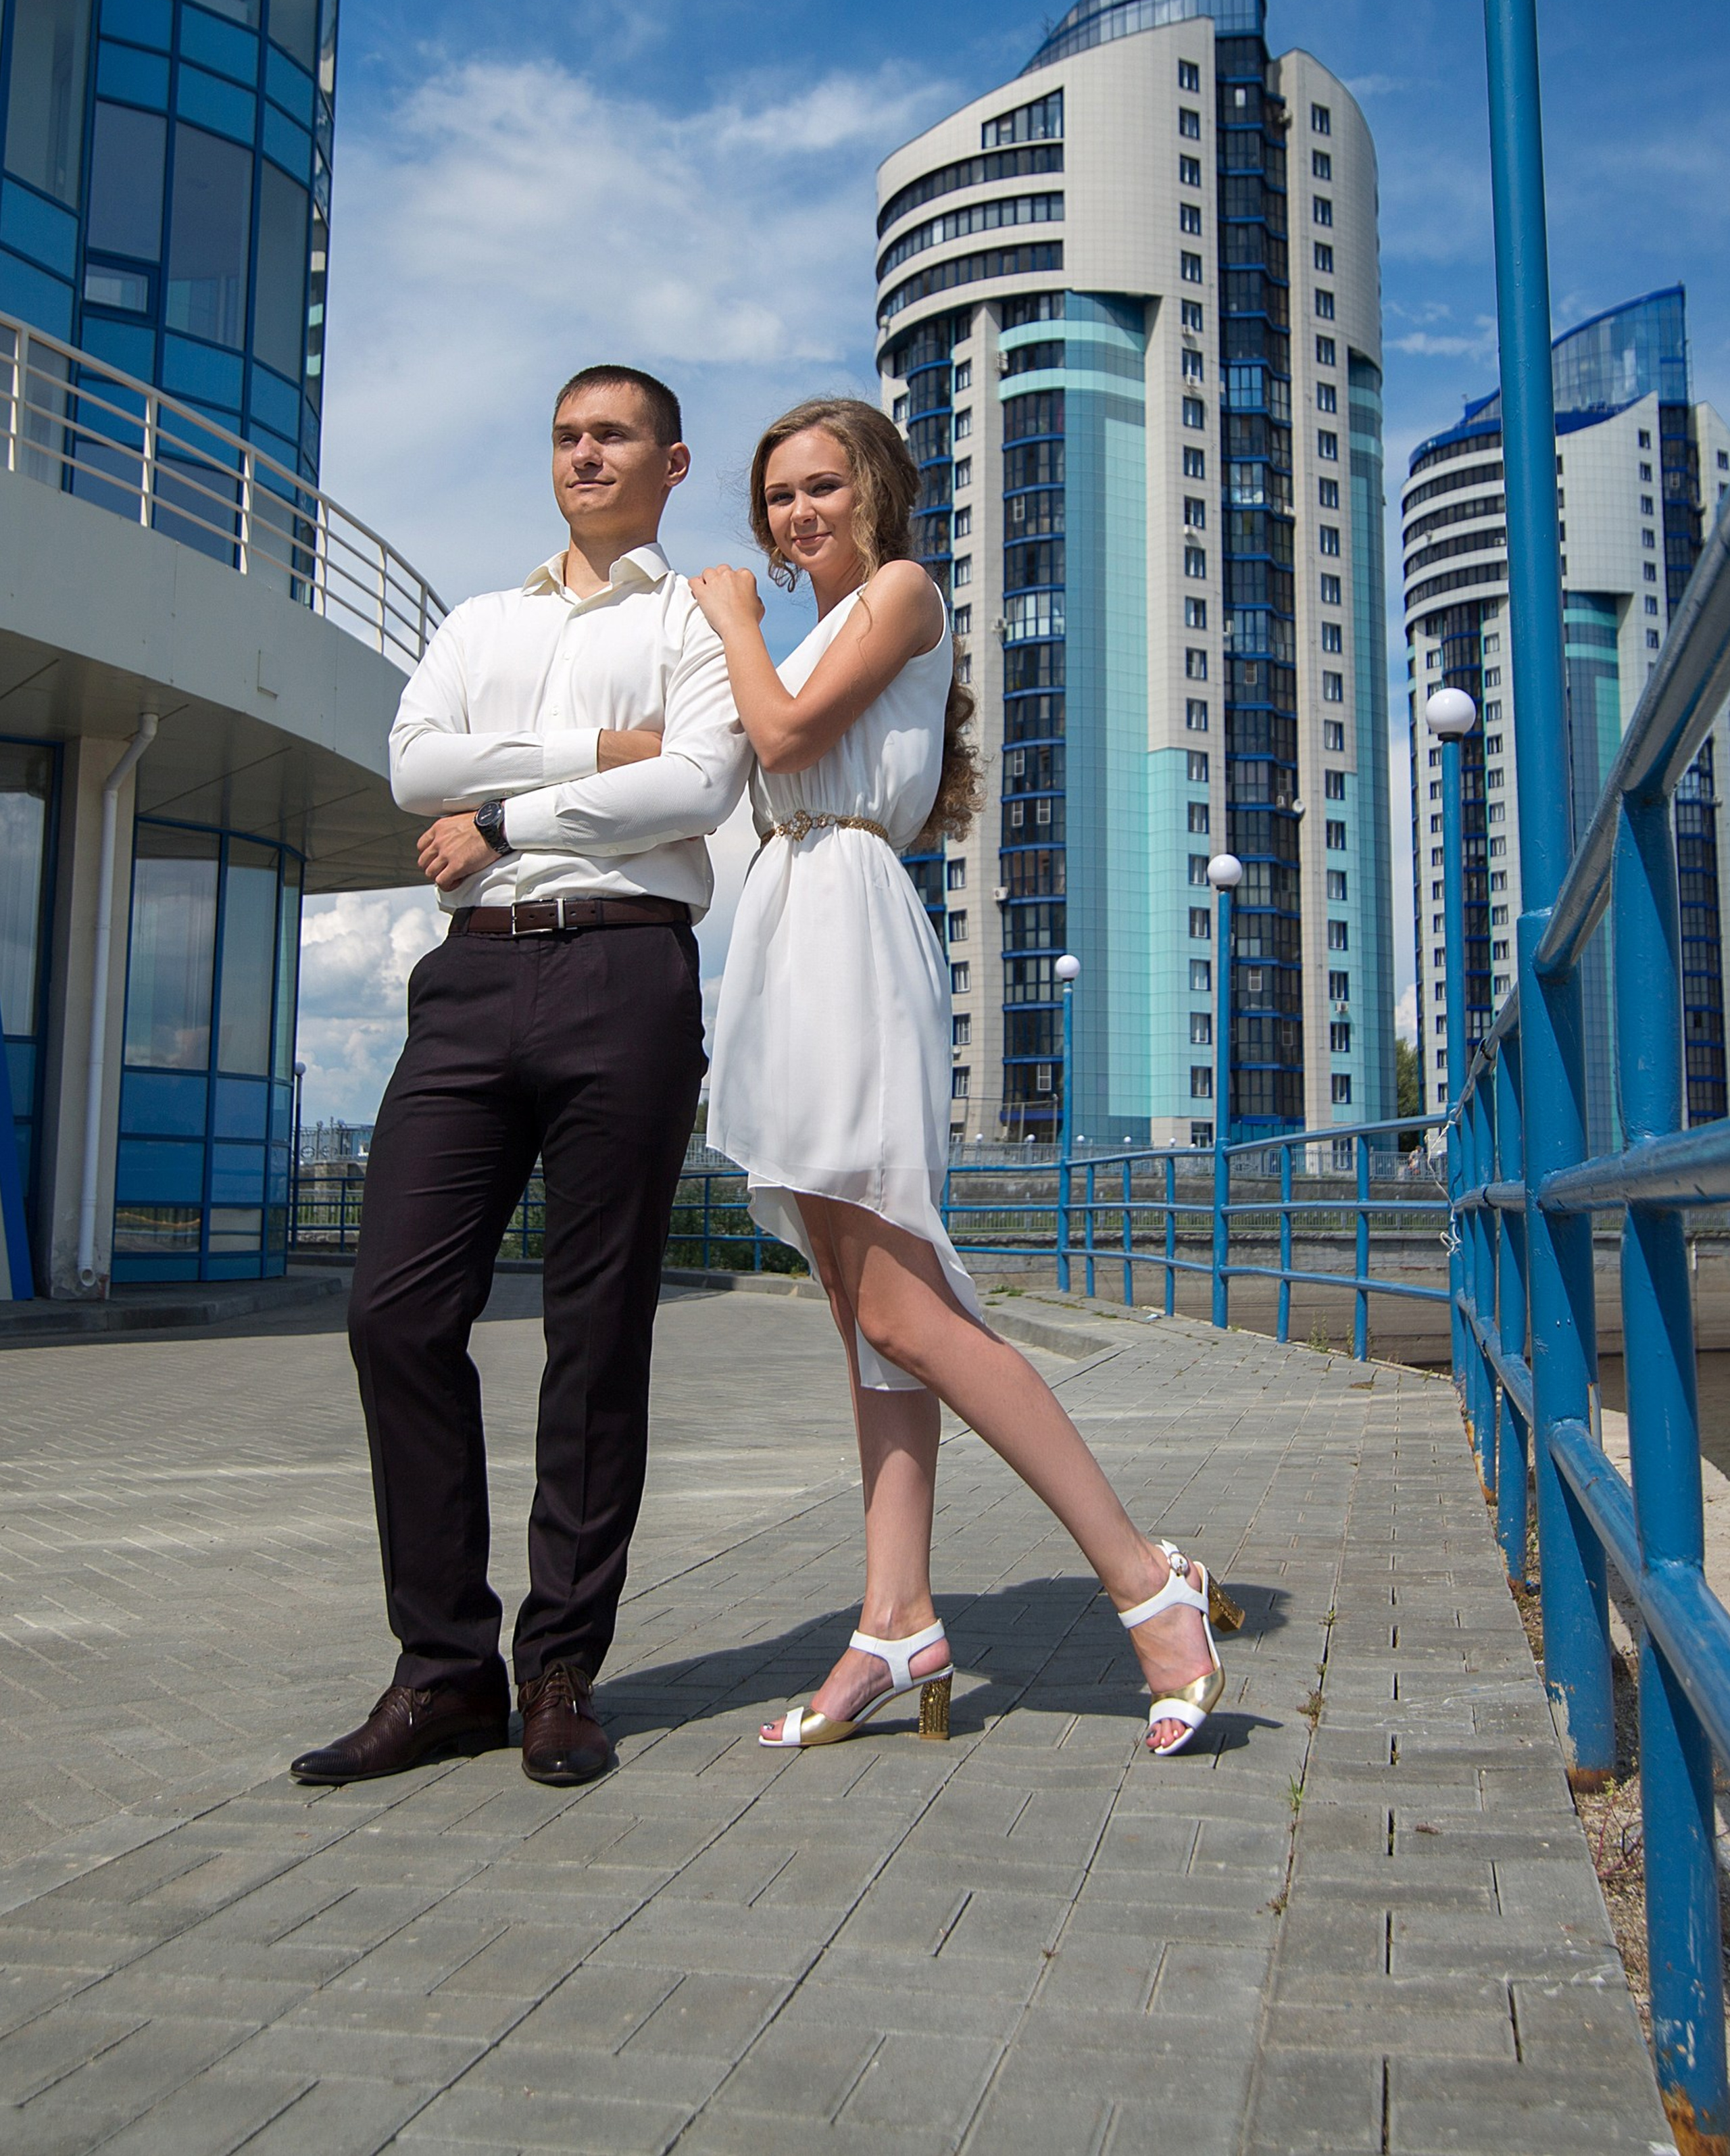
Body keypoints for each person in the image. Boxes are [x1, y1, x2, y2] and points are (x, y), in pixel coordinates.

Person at [689, 399, 1241, 1757]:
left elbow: (776, 737)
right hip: (787, 926)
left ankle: (1141, 1582)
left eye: (820, 485)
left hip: (845, 932)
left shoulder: (900, 593)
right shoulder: (825, 623)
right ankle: (894, 1616)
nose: (795, 513)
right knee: (859, 1311)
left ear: (873, 488)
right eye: (776, 497)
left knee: (908, 1307)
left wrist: (732, 624)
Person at [292, 366, 747, 1790]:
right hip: (472, 975)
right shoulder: (480, 621)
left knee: (594, 1334)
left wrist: (502, 812)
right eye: (564, 436)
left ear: (670, 464)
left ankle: (556, 1672)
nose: (583, 455)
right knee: (393, 1315)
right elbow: (407, 761)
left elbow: (697, 786)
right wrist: (583, 756)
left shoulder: (698, 616)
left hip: (625, 970)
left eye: (611, 435)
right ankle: (442, 1675)